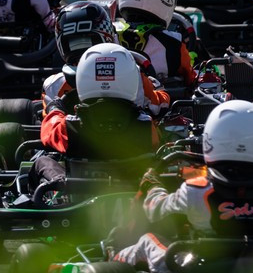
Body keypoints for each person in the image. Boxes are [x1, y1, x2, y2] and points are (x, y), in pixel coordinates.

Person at [112, 100, 253, 273]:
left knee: (147, 241)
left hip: (199, 269)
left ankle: (112, 261)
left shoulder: (196, 190)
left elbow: (155, 210)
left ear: (211, 139)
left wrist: (153, 186)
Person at [33, 43, 160, 185]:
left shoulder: (69, 127)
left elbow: (49, 132)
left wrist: (55, 109)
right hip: (132, 193)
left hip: (79, 194)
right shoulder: (146, 125)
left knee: (42, 161)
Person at [42, 1, 170, 117]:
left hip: (76, 134)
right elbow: (160, 105)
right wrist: (157, 86)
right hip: (128, 133)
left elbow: (48, 121)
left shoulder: (53, 85)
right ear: (107, 35)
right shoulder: (133, 74)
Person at [115, 0, 196, 87]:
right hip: (158, 95)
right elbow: (190, 78)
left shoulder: (110, 37)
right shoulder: (174, 43)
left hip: (115, 92)